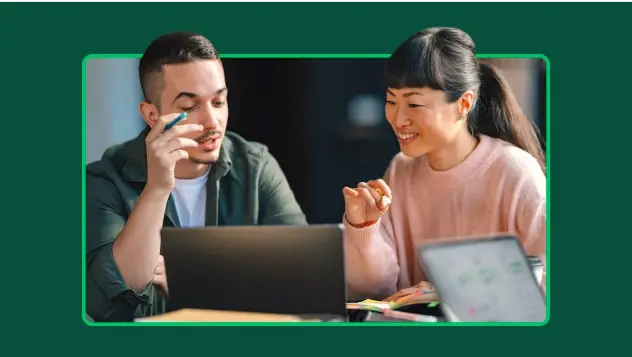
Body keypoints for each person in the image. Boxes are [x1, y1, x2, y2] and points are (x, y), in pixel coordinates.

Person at [85, 32, 307, 322]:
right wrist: (157, 188)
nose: (212, 122)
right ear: (152, 115)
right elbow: (103, 303)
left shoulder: (254, 166)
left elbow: (302, 278)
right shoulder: (104, 179)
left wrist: (195, 283)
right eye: (189, 107)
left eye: (218, 102)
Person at [341, 27, 546, 300]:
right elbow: (374, 292)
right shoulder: (401, 169)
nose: (398, 118)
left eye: (414, 104)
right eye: (391, 101)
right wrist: (363, 228)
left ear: (463, 104)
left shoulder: (515, 171)